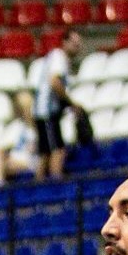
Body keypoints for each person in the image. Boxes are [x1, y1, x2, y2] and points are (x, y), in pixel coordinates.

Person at [33, 29, 83, 181]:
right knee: (57, 150)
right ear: (65, 43)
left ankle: (39, 184)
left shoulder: (57, 58)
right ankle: (56, 183)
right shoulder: (59, 58)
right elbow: (54, 81)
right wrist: (70, 102)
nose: (77, 48)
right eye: (74, 44)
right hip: (47, 111)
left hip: (43, 110)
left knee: (46, 152)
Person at [0, 90, 40, 186]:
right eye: (23, 108)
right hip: (14, 160)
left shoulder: (40, 128)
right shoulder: (16, 126)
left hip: (31, 162)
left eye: (28, 107)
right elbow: (4, 146)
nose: (26, 111)